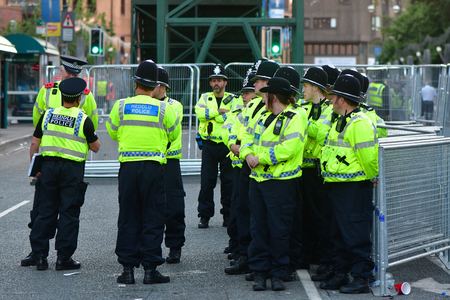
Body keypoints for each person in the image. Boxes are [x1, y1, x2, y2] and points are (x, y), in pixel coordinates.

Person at [106, 60, 180, 284]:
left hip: (128, 168)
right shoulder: (164, 108)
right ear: (155, 86)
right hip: (154, 168)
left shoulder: (120, 106)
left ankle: (127, 270)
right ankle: (150, 270)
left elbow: (113, 133)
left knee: (128, 216)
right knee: (153, 217)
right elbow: (174, 134)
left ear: (135, 82)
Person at [21, 55, 98, 267]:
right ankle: (63, 256)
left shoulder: (47, 91)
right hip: (72, 163)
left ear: (62, 71)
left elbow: (38, 123)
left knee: (43, 209)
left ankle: (38, 254)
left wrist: (34, 165)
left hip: (47, 162)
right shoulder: (86, 95)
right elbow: (92, 125)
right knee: (69, 210)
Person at [240, 77, 305, 292]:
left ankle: (278, 273)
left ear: (273, 96)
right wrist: (248, 153)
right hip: (258, 181)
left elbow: (290, 147)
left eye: (265, 93)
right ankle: (260, 272)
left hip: (280, 183)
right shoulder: (262, 116)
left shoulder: (294, 118)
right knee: (258, 228)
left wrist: (260, 158)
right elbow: (247, 136)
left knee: (279, 230)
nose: (262, 96)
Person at [319, 74, 379, 294]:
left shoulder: (360, 123)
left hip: (354, 188)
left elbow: (369, 158)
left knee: (355, 233)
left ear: (342, 100)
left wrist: (372, 178)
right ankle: (342, 272)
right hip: (337, 185)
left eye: (333, 96)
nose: (331, 100)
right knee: (338, 233)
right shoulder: (342, 120)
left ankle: (362, 277)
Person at [299, 67, 332, 270]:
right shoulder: (304, 108)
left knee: (319, 215)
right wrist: (310, 124)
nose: (302, 90)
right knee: (304, 215)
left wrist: (304, 123)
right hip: (303, 168)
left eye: (305, 86)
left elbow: (321, 134)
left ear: (314, 87)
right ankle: (307, 254)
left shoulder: (329, 109)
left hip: (319, 170)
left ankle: (321, 257)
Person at [223, 71, 256, 275]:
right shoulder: (238, 113)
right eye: (243, 93)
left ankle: (247, 252)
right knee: (238, 209)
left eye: (248, 92)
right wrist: (233, 144)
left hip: (253, 165)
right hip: (239, 165)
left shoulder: (257, 112)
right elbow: (228, 131)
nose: (243, 96)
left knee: (248, 211)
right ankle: (239, 249)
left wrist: (240, 145)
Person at [152, 66, 186, 264]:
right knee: (152, 206)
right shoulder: (145, 104)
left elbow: (166, 128)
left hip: (170, 162)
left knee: (174, 206)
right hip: (152, 161)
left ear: (163, 87)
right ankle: (151, 247)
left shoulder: (175, 105)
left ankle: (175, 247)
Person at [195, 64, 235, 229]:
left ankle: (227, 214)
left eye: (219, 80)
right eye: (213, 81)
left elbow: (234, 117)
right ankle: (204, 216)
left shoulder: (234, 99)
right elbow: (200, 113)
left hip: (227, 146)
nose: (216, 83)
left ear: (225, 82)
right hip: (210, 145)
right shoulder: (204, 98)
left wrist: (210, 115)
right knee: (207, 181)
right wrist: (219, 113)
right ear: (210, 83)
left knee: (229, 182)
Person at [33, 55, 98, 130]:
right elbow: (37, 119)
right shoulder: (47, 90)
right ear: (61, 70)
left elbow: (92, 123)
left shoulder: (86, 94)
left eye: (75, 74)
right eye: (68, 72)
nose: (71, 77)